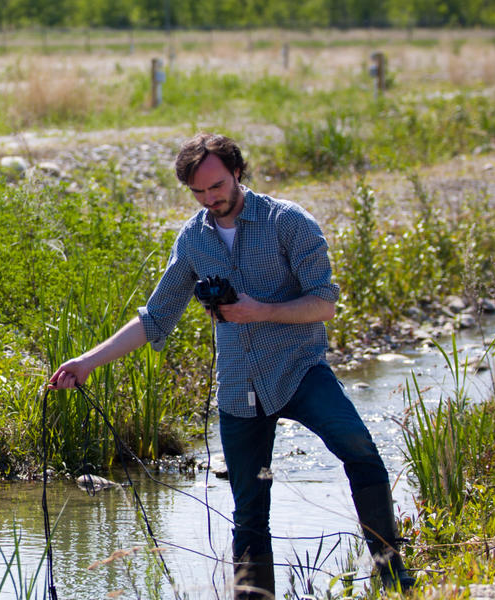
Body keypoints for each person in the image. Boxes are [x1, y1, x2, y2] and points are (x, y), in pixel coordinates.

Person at [47, 133, 415, 598]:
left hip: (300, 370)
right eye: (198, 192)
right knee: (248, 510)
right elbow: (156, 317)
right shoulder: (194, 238)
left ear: (237, 172)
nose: (209, 199)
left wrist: (259, 310)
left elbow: (324, 303)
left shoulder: (288, 221)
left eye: (216, 186)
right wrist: (87, 362)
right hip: (239, 386)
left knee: (362, 455)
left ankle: (393, 576)